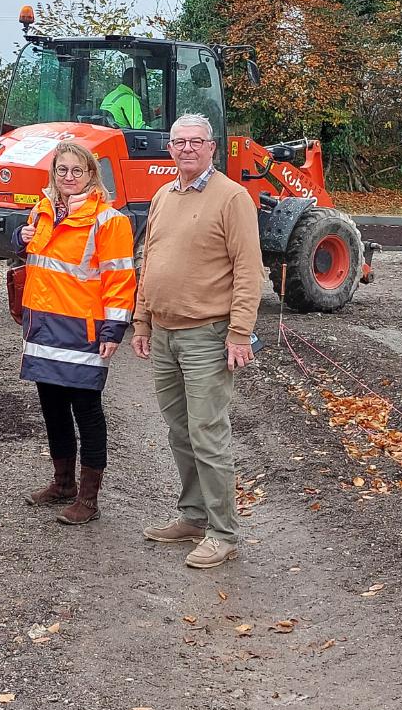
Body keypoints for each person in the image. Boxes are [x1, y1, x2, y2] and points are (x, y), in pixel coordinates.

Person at [132, 113, 264, 569]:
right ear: (170, 148)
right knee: (179, 430)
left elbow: (249, 270)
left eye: (195, 141)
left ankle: (223, 532)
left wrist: (240, 332)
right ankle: (192, 516)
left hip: (207, 335)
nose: (186, 148)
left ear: (212, 147)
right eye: (178, 141)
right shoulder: (163, 196)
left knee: (208, 434)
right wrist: (142, 319)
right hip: (165, 333)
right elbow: (149, 261)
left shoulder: (233, 198)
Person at [17, 143, 136, 525]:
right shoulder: (43, 210)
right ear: (54, 173)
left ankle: (88, 499)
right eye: (62, 170)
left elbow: (119, 278)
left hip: (82, 330)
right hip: (44, 326)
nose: (69, 177)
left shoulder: (109, 220)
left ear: (91, 174)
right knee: (52, 408)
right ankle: (63, 483)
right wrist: (21, 240)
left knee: (87, 411)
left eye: (77, 170)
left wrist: (114, 328)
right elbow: (39, 263)